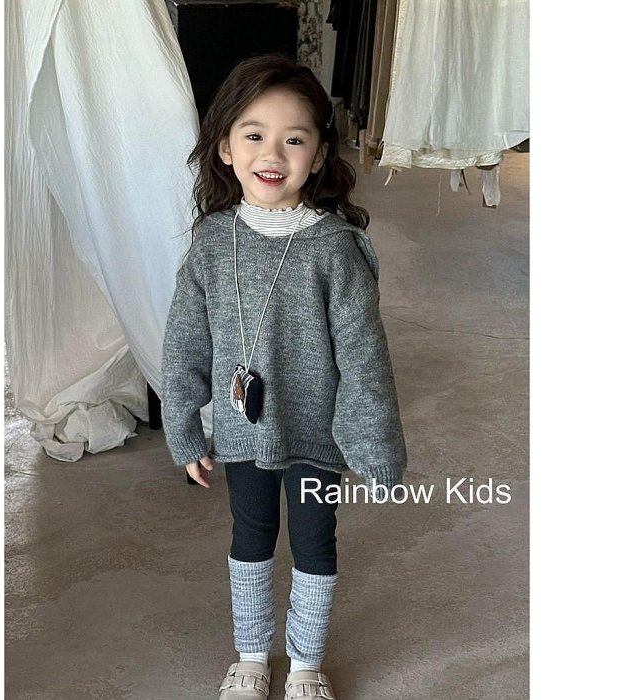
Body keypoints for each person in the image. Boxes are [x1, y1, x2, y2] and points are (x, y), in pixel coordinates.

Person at [161, 54, 406, 700]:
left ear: (320, 155)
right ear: (225, 147)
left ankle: (305, 664)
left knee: (314, 540)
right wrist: (184, 428)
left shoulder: (335, 249)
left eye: (294, 139)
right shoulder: (212, 242)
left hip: (316, 435)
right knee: (250, 537)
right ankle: (250, 655)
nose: (272, 154)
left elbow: (364, 356)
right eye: (254, 134)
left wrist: (374, 446)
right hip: (244, 432)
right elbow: (184, 341)